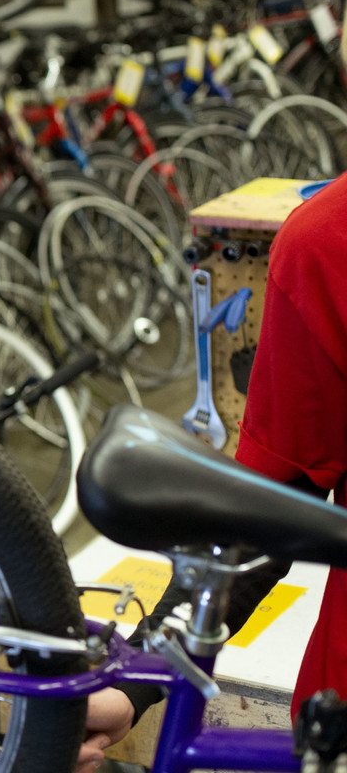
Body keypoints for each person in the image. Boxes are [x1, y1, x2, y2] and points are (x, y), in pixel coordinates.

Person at [77, 172, 347, 773]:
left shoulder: (330, 239)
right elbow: (261, 521)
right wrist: (139, 682)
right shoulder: (329, 245)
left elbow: (259, 519)